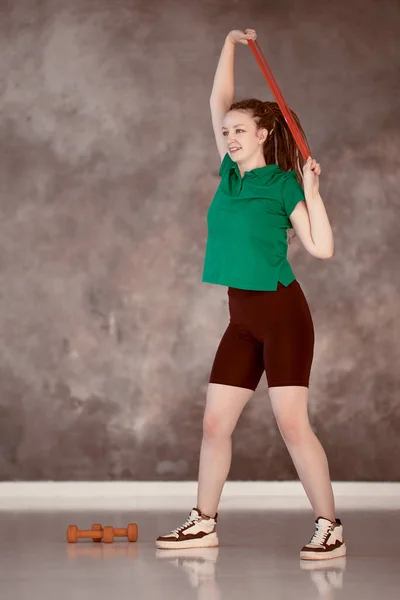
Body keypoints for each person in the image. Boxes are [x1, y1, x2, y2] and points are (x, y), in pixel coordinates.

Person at [156, 28, 346, 561]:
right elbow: (218, 100)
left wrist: (312, 192)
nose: (230, 136)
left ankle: (329, 526)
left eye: (240, 130)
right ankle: (204, 522)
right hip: (241, 316)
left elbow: (321, 247)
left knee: (291, 423)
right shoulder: (230, 174)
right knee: (215, 423)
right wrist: (229, 44)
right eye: (226, 132)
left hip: (283, 313)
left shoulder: (283, 183)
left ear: (263, 133)